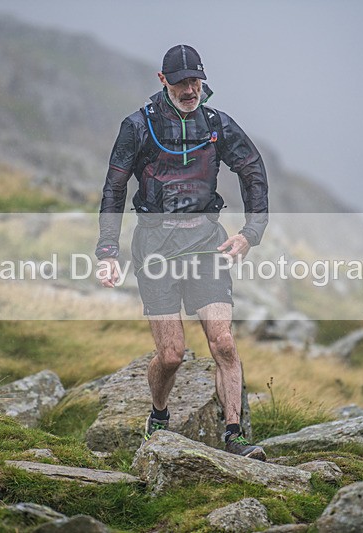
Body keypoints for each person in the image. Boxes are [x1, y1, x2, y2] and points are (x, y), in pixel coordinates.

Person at [95, 44, 268, 460]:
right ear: (162, 81)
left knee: (223, 342)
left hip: (206, 244)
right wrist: (107, 250)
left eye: (196, 81)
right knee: (171, 356)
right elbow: (115, 188)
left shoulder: (217, 125)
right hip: (155, 248)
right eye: (181, 82)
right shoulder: (137, 126)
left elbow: (252, 170)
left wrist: (250, 232)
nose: (190, 89)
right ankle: (158, 414)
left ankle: (234, 434)